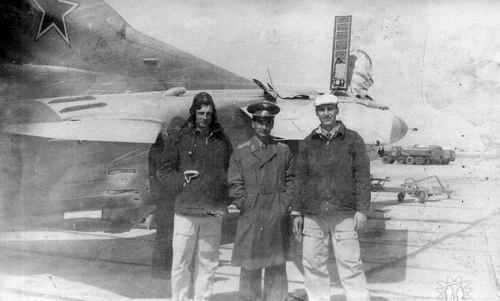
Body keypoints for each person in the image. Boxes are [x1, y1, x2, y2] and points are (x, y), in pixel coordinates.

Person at [291, 94, 371, 301]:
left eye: (330, 109)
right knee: (313, 265)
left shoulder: (353, 139)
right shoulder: (308, 142)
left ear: (337, 110)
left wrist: (362, 209)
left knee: (350, 265)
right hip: (314, 214)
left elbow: (362, 176)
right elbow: (300, 179)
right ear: (316, 112)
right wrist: (297, 211)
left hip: (343, 213)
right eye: (321, 110)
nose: (326, 113)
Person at [157, 92, 232, 301]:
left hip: (212, 213)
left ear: (213, 114)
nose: (205, 117)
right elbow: (163, 172)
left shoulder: (222, 140)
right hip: (185, 212)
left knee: (208, 263)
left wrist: (224, 201)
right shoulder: (180, 138)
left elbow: (231, 172)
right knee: (181, 263)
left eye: (209, 113)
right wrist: (181, 180)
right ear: (194, 113)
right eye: (201, 112)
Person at [228, 101, 295, 301]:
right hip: (251, 216)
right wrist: (246, 204)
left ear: (273, 124)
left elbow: (291, 180)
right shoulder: (241, 151)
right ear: (253, 124)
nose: (264, 127)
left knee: (276, 266)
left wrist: (283, 204)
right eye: (260, 122)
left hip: (276, 216)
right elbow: (234, 183)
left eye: (268, 122)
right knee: (250, 266)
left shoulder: (283, 150)